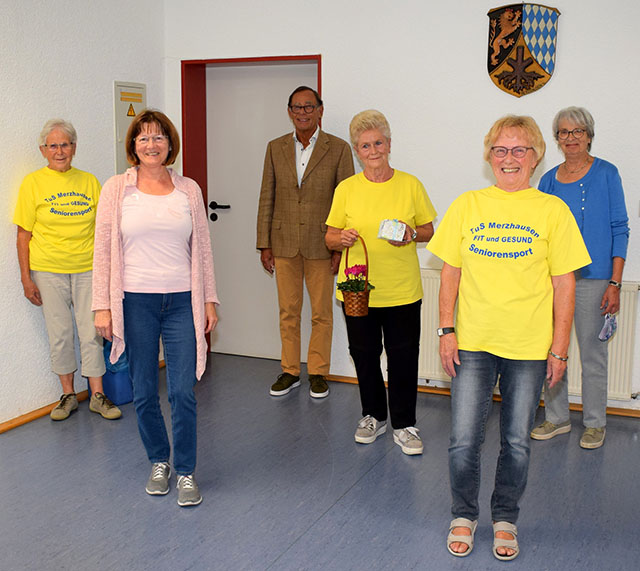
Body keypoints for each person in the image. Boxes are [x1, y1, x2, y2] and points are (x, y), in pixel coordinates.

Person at [427, 116, 591, 560]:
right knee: (463, 439)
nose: (510, 158)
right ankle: (463, 514)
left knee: (516, 442)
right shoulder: (467, 205)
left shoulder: (552, 211)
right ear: (489, 156)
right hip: (472, 343)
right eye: (501, 150)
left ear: (537, 157)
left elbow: (565, 284)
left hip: (528, 348)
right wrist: (446, 330)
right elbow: (450, 273)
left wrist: (559, 348)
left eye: (520, 150)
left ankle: (505, 518)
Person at [92, 109, 218, 507]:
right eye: (143, 138)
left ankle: (184, 471)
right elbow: (103, 251)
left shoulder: (189, 190)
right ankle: (158, 460)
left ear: (169, 145)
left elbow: (203, 250)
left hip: (183, 300)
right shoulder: (116, 189)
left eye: (159, 137)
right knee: (144, 391)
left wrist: (209, 298)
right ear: (133, 145)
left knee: (182, 391)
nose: (151, 144)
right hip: (135, 301)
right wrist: (102, 307)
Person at [325, 109, 436, 456]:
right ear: (357, 151)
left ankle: (404, 424)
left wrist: (411, 233)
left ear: (389, 144)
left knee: (404, 357)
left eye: (378, 143)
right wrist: (340, 238)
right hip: (357, 290)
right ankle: (373, 415)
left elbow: (430, 230)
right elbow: (329, 237)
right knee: (363, 355)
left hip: (402, 290)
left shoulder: (410, 184)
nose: (372, 151)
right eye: (364, 145)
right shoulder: (346, 189)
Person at [531, 107, 630, 450]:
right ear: (556, 138)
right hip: (553, 281)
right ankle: (556, 418)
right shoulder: (547, 181)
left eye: (577, 132)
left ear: (589, 135)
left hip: (595, 280)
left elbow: (620, 229)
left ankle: (594, 424)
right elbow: (538, 232)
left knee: (592, 355)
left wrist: (615, 283)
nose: (570, 138)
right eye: (563, 132)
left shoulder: (606, 173)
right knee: (552, 350)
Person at [13, 119, 121, 422]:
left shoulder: (89, 182)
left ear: (74, 148)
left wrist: (109, 272)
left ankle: (97, 395)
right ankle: (68, 395)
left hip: (88, 269)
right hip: (48, 270)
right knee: (59, 334)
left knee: (92, 333)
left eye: (65, 145)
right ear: (43, 150)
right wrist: (26, 278)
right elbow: (23, 234)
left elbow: (105, 232)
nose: (59, 151)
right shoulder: (32, 183)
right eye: (53, 145)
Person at [256, 86, 354, 399]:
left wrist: (339, 246)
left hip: (322, 244)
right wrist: (264, 244)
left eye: (308, 107)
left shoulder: (338, 148)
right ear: (289, 111)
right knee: (288, 311)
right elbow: (266, 196)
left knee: (321, 313)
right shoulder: (275, 147)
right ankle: (289, 370)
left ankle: (318, 372)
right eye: (297, 107)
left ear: (320, 110)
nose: (302, 113)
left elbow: (346, 202)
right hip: (283, 242)